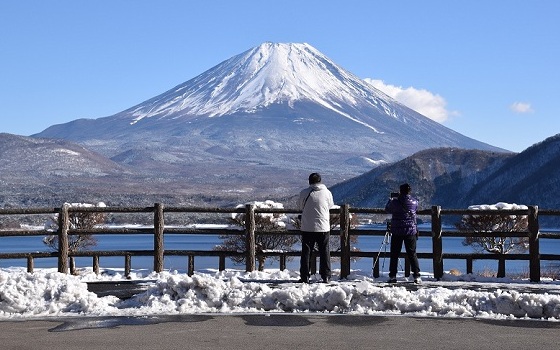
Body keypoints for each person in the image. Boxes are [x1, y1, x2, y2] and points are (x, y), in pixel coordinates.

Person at [298, 172, 334, 283]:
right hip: (323, 227)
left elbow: (299, 206)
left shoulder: (304, 193)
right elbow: (330, 206)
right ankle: (326, 275)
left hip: (307, 226)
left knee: (306, 252)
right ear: (320, 181)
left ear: (309, 182)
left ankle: (305, 276)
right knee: (324, 251)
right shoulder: (327, 193)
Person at [385, 183, 421, 284]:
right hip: (411, 231)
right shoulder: (414, 201)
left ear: (400, 191)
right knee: (412, 254)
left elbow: (387, 209)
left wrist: (390, 200)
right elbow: (415, 208)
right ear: (410, 191)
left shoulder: (395, 202)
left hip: (397, 231)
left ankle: (392, 276)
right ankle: (416, 276)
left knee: (394, 254)